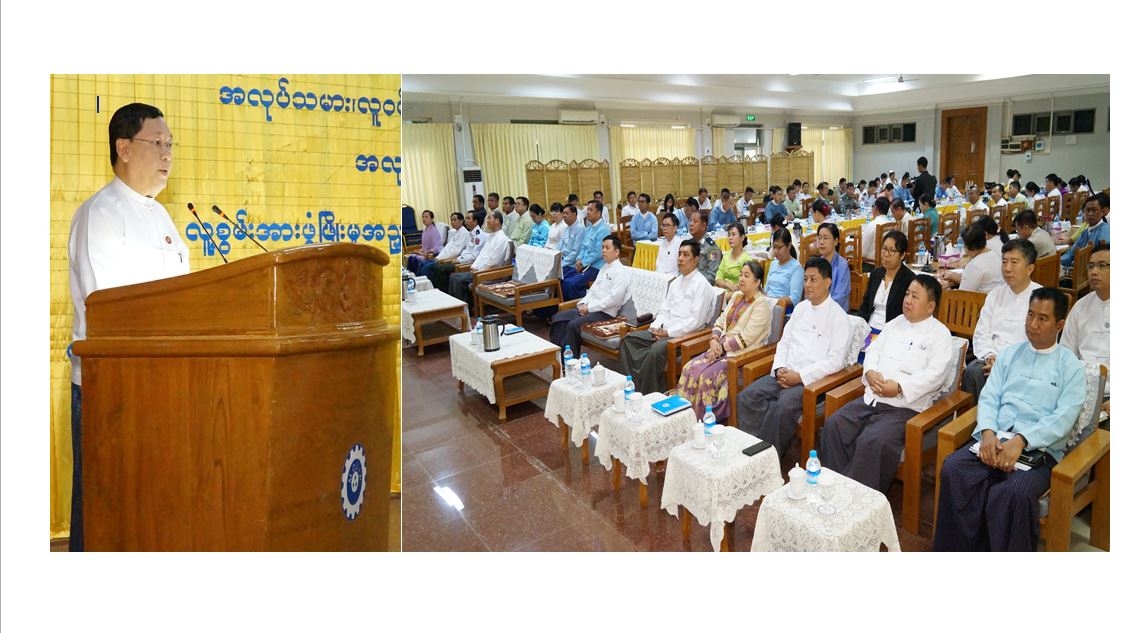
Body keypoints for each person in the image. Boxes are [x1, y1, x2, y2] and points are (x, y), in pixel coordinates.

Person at [67, 103, 191, 551]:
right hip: (111, 390)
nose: (167, 153)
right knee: (105, 510)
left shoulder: (161, 216)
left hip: (162, 385)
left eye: (170, 144)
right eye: (157, 143)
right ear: (123, 148)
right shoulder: (101, 213)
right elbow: (111, 312)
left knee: (147, 510)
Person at [934, 288, 1085, 552]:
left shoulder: (1070, 366)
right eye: (1030, 315)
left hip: (1039, 452)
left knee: (1012, 494)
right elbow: (989, 397)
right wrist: (988, 433)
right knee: (954, 468)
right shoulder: (1009, 354)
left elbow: (1064, 417)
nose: (1033, 324)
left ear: (1059, 325)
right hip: (996, 439)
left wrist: (1022, 441)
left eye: (1042, 318)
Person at [822, 276, 955, 492]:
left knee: (873, 440)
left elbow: (935, 375)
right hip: (872, 399)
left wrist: (900, 387)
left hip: (905, 409)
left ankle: (858, 498)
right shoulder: (894, 323)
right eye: (907, 294)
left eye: (915, 296)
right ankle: (835, 486)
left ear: (931, 306)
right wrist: (870, 372)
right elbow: (872, 351)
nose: (907, 300)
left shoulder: (940, 335)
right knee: (835, 424)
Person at [736, 257, 851, 456]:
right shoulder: (800, 308)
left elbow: (835, 362)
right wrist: (779, 368)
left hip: (810, 383)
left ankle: (767, 459)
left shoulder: (839, 317)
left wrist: (799, 377)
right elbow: (784, 342)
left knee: (781, 408)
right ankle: (751, 451)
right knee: (747, 397)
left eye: (813, 280)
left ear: (827, 282)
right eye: (805, 279)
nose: (807, 284)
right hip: (783, 373)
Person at [675, 260, 772, 420]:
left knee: (706, 377)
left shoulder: (761, 305)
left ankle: (704, 421)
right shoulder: (736, 296)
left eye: (746, 276)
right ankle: (683, 418)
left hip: (740, 356)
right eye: (740, 274)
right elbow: (721, 321)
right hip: (720, 348)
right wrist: (714, 339)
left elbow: (747, 337)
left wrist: (722, 348)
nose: (741, 279)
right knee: (689, 368)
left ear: (757, 282)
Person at [620, 240, 715, 394]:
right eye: (679, 254)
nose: (681, 258)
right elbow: (664, 310)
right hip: (662, 331)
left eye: (686, 255)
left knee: (654, 351)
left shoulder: (702, 285)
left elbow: (695, 322)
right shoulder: (676, 282)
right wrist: (655, 327)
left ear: (696, 259)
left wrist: (668, 333)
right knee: (628, 340)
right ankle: (629, 385)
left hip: (683, 337)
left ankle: (648, 393)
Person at [961, 239, 1042, 402]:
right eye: (1004, 262)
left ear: (1030, 268)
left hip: (1024, 363)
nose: (1007, 268)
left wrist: (1005, 364)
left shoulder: (1042, 299)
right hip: (992, 358)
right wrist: (990, 356)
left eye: (1014, 262)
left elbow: (1041, 342)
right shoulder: (995, 295)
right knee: (972, 372)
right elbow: (981, 333)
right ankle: (977, 417)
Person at [549, 235, 632, 356]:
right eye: (602, 247)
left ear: (617, 252)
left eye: (607, 248)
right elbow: (592, 291)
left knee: (573, 325)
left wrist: (589, 308)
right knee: (558, 318)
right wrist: (583, 304)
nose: (603, 250)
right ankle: (559, 357)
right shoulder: (604, 267)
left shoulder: (621, 272)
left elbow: (613, 299)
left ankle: (572, 360)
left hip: (605, 313)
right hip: (591, 308)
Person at [1060, 243, 1109, 394]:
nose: (1094, 271)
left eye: (1102, 266)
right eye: (1091, 266)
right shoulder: (1080, 306)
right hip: (1080, 388)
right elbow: (1066, 353)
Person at [448, 210, 510, 306]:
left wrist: (479, 270)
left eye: (489, 218)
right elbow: (481, 255)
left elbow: (493, 261)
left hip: (488, 272)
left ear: (497, 220)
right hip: (479, 270)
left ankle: (463, 309)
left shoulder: (502, 238)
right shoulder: (491, 236)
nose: (487, 221)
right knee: (453, 276)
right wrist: (474, 266)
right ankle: (454, 307)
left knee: (457, 279)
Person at [858, 230, 916, 332]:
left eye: (892, 251)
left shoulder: (909, 280)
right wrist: (859, 326)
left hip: (893, 331)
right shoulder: (876, 274)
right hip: (869, 327)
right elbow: (865, 305)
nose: (886, 254)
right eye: (884, 249)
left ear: (902, 255)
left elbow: (908, 314)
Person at [560, 201, 612, 300]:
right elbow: (583, 247)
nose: (588, 212)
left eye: (591, 210)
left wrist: (583, 263)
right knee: (564, 279)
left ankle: (582, 305)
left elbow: (598, 252)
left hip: (597, 267)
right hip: (584, 265)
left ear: (599, 213)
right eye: (587, 209)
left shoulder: (603, 229)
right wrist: (579, 259)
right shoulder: (588, 228)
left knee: (573, 283)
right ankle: (566, 307)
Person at [427, 210, 485, 292]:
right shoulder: (471, 234)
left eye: (468, 218)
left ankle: (444, 293)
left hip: (468, 263)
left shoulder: (479, 236)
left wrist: (460, 260)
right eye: (465, 218)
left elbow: (474, 256)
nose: (466, 221)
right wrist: (459, 259)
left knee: (440, 269)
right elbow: (465, 251)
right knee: (437, 267)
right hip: (462, 260)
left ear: (475, 221)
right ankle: (440, 292)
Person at [941, 224, 1002, 293]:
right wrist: (952, 276)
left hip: (979, 299)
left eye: (964, 245)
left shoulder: (975, 265)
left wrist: (947, 288)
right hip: (992, 296)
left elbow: (962, 295)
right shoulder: (993, 254)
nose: (964, 249)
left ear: (971, 247)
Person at [1061, 193, 1110, 268]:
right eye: (1088, 210)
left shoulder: (1106, 232)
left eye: (1094, 210)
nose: (1090, 214)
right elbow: (1071, 253)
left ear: (1102, 212)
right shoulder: (1086, 231)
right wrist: (1057, 262)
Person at [764, 228, 804, 312]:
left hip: (784, 309)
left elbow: (795, 298)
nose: (776, 251)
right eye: (774, 247)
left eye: (779, 247)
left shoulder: (796, 267)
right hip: (768, 305)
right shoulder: (773, 264)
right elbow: (766, 290)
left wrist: (774, 301)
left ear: (789, 246)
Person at [419, 212, 469, 278]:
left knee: (426, 267)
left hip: (450, 259)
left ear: (461, 221)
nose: (452, 222)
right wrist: (438, 257)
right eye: (451, 220)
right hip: (441, 257)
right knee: (423, 264)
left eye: (455, 220)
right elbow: (447, 248)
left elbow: (455, 251)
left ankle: (429, 284)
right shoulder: (456, 232)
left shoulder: (464, 233)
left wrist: (440, 259)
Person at [816, 222, 851, 311]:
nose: (821, 242)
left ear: (835, 241)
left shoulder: (842, 265)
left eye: (825, 238)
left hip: (835, 312)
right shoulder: (816, 264)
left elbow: (840, 297)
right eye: (819, 238)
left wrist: (821, 307)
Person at [715, 223, 753, 293]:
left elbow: (744, 286)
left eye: (733, 234)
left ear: (742, 237)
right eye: (729, 235)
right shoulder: (726, 256)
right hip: (722, 291)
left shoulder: (746, 259)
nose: (730, 238)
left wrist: (727, 296)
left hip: (737, 294)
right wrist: (727, 284)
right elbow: (717, 279)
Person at [689, 210, 721, 284]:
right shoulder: (689, 244)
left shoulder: (711, 248)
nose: (691, 224)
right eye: (690, 221)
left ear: (703, 226)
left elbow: (712, 276)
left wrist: (695, 284)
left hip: (701, 286)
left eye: (695, 222)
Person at [406, 209, 442, 274]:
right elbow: (424, 246)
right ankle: (410, 276)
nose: (424, 219)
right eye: (423, 217)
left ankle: (416, 277)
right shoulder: (425, 230)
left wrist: (427, 251)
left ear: (432, 219)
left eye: (426, 217)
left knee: (413, 259)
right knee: (410, 257)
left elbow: (437, 248)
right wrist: (420, 251)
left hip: (430, 256)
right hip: (423, 254)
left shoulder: (434, 231)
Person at [862, 197, 894, 265]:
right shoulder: (891, 224)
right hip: (887, 262)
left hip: (871, 264)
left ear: (876, 208)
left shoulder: (872, 225)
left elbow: (862, 252)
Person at [557, 204, 586, 270]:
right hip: (562, 260)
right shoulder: (566, 229)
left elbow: (575, 252)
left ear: (574, 214)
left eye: (567, 213)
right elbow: (559, 247)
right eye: (563, 213)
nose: (564, 216)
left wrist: (561, 264)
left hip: (571, 264)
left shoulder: (580, 229)